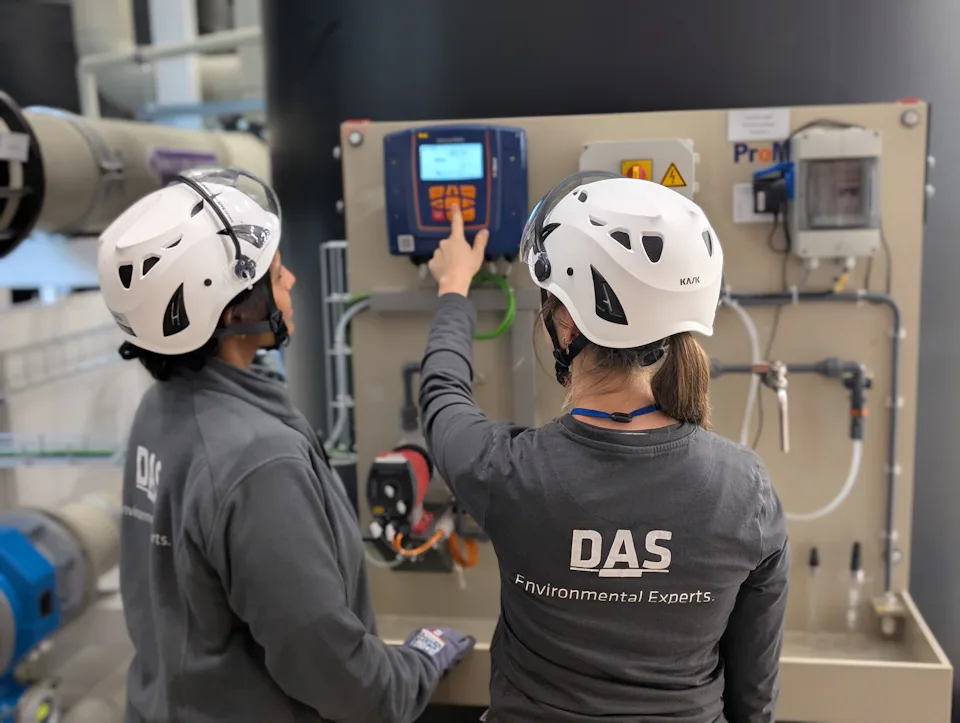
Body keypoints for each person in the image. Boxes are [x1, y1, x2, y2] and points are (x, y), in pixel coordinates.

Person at [97, 167, 474, 723]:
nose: (292, 280)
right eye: (275, 274)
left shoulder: (162, 408)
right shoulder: (258, 461)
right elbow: (332, 669)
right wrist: (417, 663)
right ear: (232, 310)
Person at [419, 171, 789, 723]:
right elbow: (754, 692)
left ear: (564, 323)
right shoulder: (746, 490)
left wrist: (454, 290)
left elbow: (442, 399)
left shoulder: (507, 472)